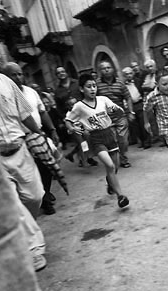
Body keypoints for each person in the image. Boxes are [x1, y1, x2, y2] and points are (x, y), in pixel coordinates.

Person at [0, 33, 47, 271]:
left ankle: (20, 236)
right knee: (13, 204)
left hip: (20, 150)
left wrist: (42, 135)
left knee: (35, 197)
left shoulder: (5, 81)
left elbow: (25, 113)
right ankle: (34, 250)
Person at [2, 62, 61, 215]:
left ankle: (45, 193)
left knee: (47, 167)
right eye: (13, 74)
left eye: (19, 73)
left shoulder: (31, 92)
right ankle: (43, 201)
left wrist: (52, 130)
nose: (17, 77)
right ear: (6, 77)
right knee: (32, 171)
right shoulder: (4, 96)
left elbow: (42, 112)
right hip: (20, 141)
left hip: (37, 134)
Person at [65, 74, 130, 208]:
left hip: (109, 134)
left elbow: (118, 110)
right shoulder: (79, 106)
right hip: (95, 138)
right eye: (89, 86)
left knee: (115, 166)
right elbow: (68, 120)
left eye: (94, 86)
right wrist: (72, 128)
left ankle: (110, 183)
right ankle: (120, 196)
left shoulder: (103, 100)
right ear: (82, 89)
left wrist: (118, 111)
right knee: (109, 166)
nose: (93, 89)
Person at [96, 60, 134, 168]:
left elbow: (128, 97)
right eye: (104, 68)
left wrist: (131, 112)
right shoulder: (97, 84)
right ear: (100, 71)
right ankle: (118, 160)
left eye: (108, 67)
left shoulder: (120, 83)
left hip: (120, 116)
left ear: (113, 69)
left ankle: (122, 158)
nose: (107, 70)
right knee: (112, 140)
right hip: (106, 118)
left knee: (123, 140)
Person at [122, 66, 148, 147]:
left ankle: (147, 141)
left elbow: (143, 91)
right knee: (135, 125)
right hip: (131, 106)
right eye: (127, 74)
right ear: (124, 76)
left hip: (139, 103)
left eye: (130, 73)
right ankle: (141, 141)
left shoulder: (138, 81)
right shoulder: (123, 85)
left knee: (142, 123)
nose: (129, 75)